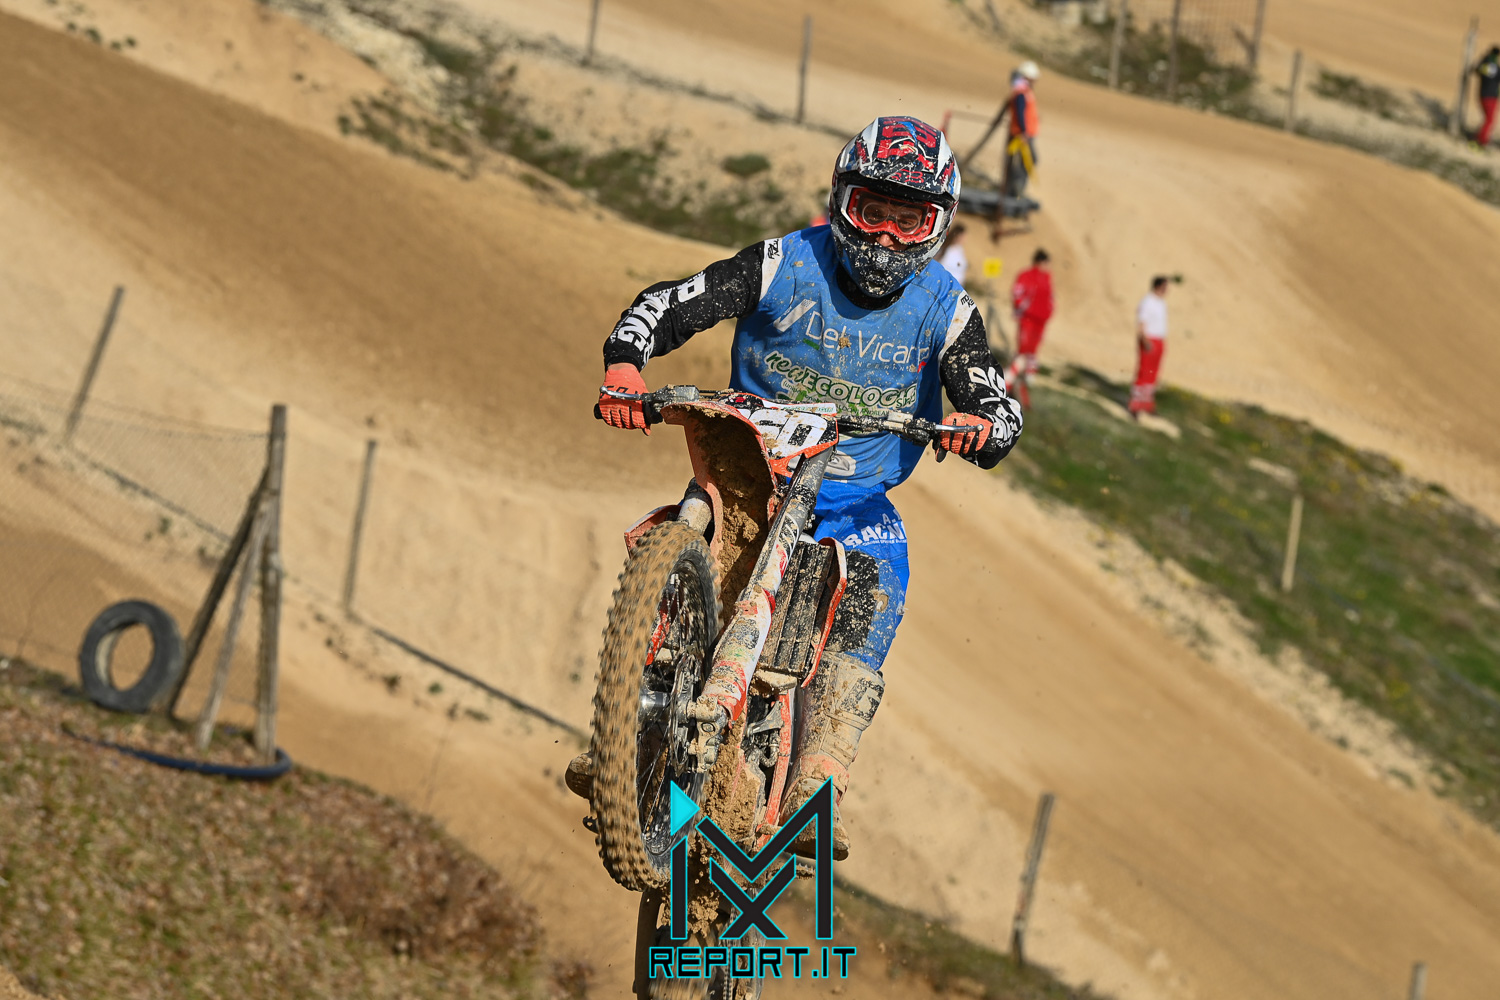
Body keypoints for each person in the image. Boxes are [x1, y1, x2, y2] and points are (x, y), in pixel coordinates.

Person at [592, 116, 1024, 860]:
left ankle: (820, 781)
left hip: (854, 505)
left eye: (908, 220)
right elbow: (673, 301)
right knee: (680, 528)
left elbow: (998, 404)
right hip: (747, 469)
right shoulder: (783, 262)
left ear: (936, 226)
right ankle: (627, 730)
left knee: (877, 583)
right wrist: (627, 363)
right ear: (841, 200)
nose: (885, 236)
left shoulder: (947, 311)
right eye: (872, 211)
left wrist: (982, 426)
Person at [1006, 248, 1054, 409]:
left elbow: (1050, 297)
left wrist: (1049, 311)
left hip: (1041, 321)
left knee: (1031, 352)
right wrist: (1020, 308)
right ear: (1040, 261)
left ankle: (1018, 385)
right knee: (1023, 350)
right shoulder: (1026, 275)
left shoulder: (1047, 278)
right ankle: (1007, 382)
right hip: (1027, 319)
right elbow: (1017, 292)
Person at [1130, 276, 1170, 417]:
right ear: (1157, 286)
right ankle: (1135, 405)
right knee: (1144, 372)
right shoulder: (1147, 301)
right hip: (1149, 340)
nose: (1167, 290)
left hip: (1159, 340)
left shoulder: (1162, 303)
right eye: (1165, 286)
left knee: (1153, 373)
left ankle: (1147, 404)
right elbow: (1142, 323)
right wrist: (1146, 341)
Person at [1002, 61, 1040, 200]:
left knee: (1022, 161)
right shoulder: (1021, 92)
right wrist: (1023, 131)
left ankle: (1016, 189)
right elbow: (1020, 113)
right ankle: (1016, 190)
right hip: (1022, 135)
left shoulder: (1023, 91)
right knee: (1025, 161)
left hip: (1023, 134)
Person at [1476, 45, 1500, 149]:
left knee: (1487, 119)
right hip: (1491, 96)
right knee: (1489, 120)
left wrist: (1484, 58)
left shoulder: (1484, 64)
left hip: (1483, 95)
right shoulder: (1495, 67)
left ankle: (1481, 138)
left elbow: (1477, 69)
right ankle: (1481, 141)